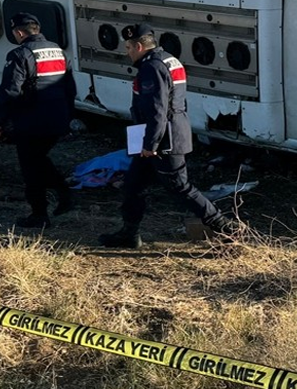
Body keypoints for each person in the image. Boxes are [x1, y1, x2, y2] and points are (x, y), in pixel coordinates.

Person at [99, 24, 232, 248]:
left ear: (139, 46)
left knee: (180, 187)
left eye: (129, 47)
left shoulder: (152, 67)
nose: (127, 52)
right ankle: (129, 234)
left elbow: (157, 110)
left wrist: (150, 144)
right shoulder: (169, 59)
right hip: (161, 134)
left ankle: (228, 229)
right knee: (133, 185)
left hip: (163, 140)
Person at [0, 12, 76, 228]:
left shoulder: (20, 54)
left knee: (31, 167)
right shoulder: (58, 51)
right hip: (57, 119)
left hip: (32, 121)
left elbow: (10, 91)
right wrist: (68, 116)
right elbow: (70, 88)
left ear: (19, 32)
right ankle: (63, 193)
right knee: (38, 159)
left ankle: (40, 214)